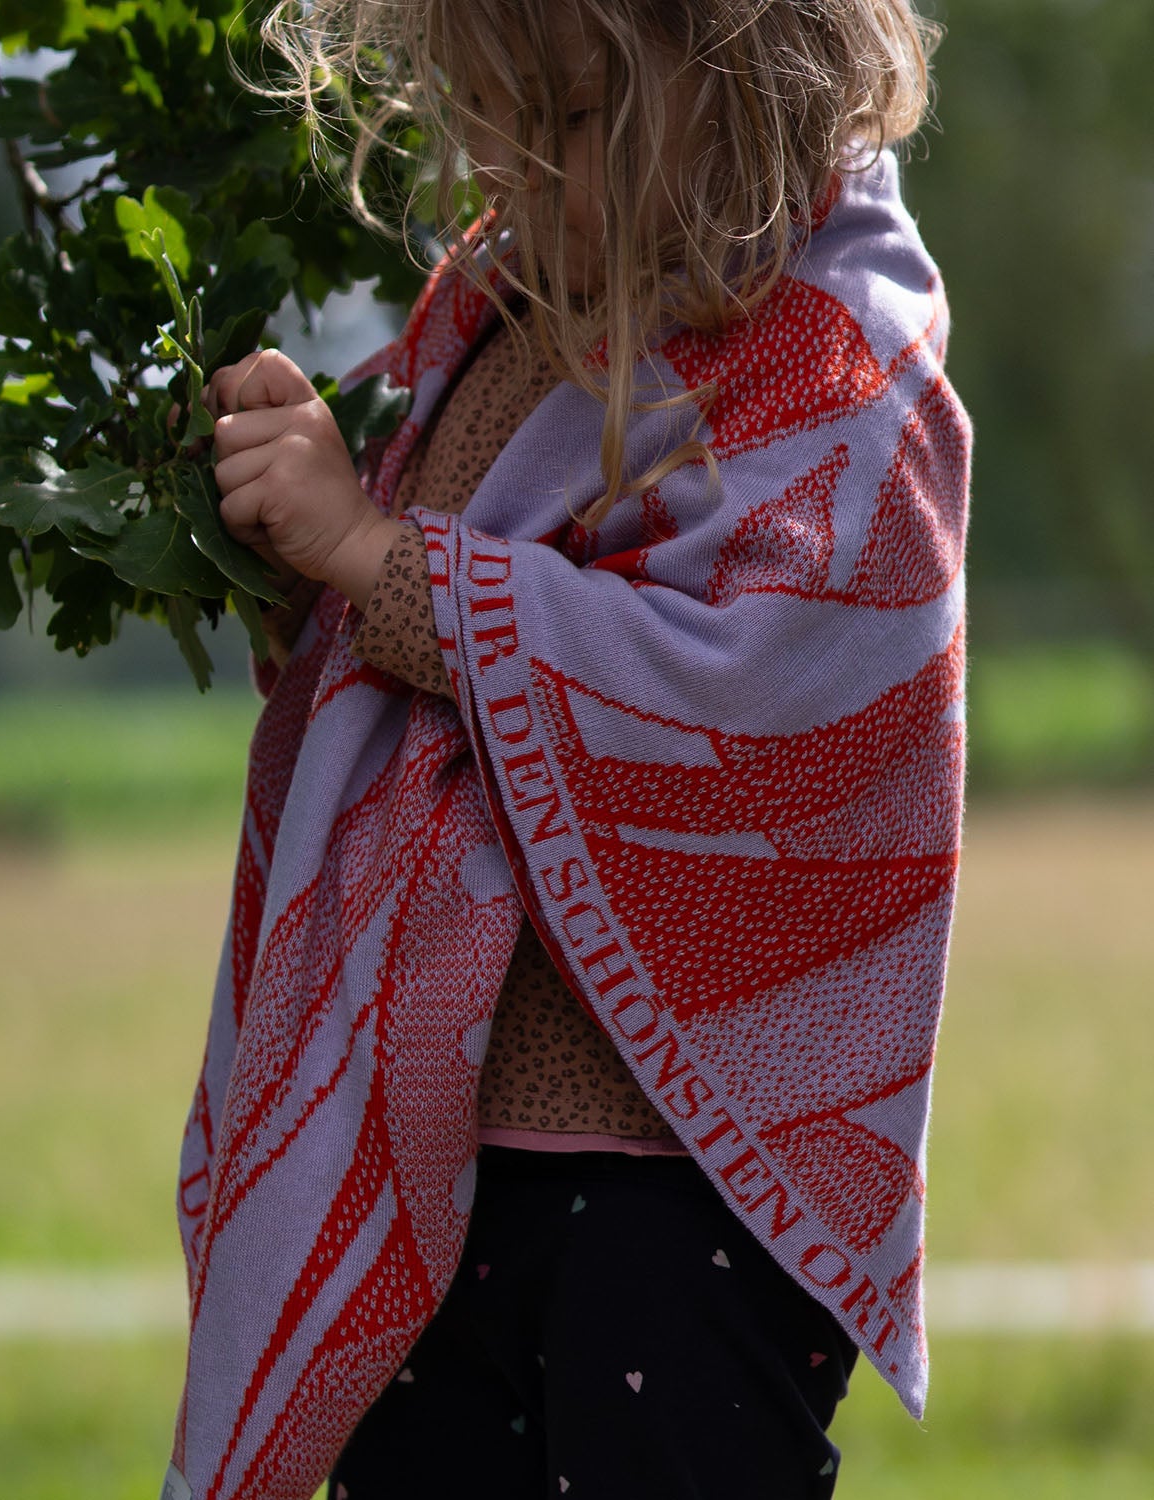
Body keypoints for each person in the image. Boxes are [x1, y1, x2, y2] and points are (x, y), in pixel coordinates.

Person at [164, 3, 970, 1498]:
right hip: (429, 1161)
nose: (516, 168)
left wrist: (378, 551)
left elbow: (751, 695)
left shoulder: (834, 361)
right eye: (487, 114)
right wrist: (310, 558)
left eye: (577, 118)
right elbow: (412, 668)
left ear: (751, 83)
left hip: (685, 1193)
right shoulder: (496, 323)